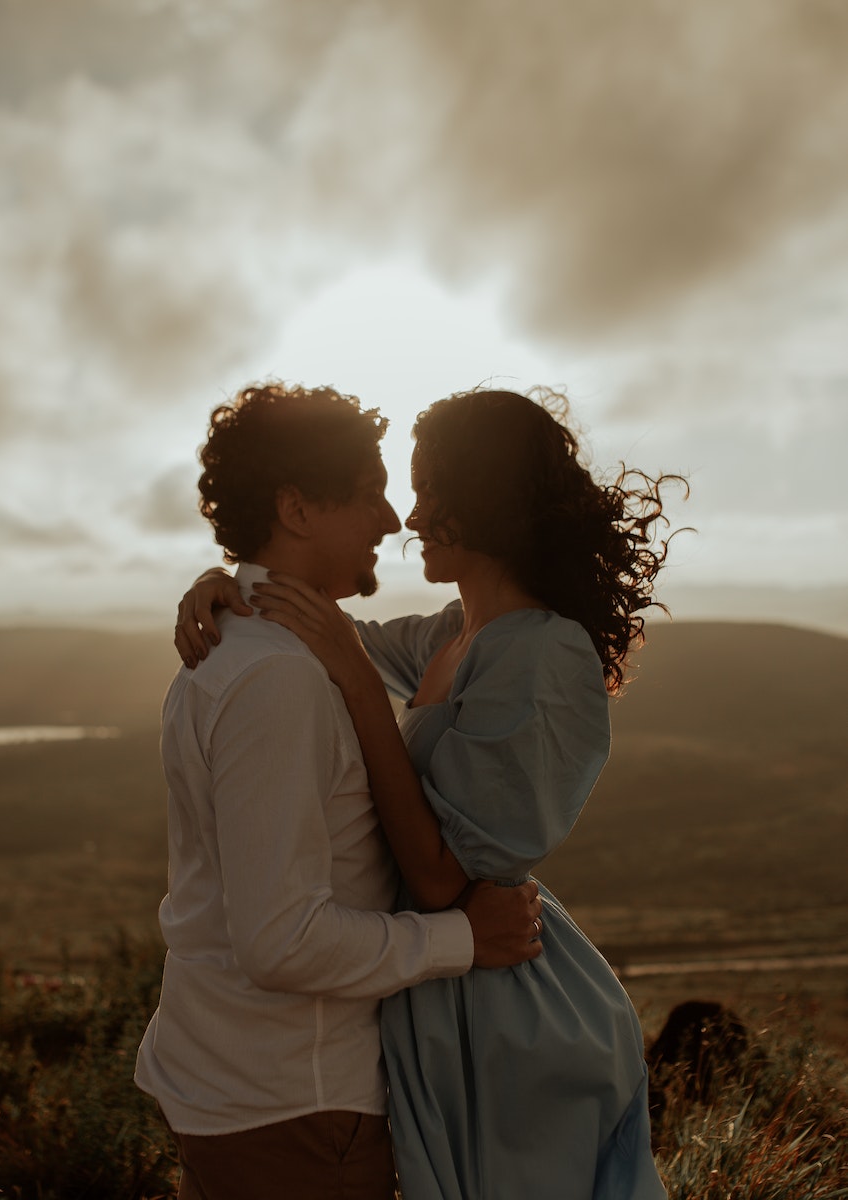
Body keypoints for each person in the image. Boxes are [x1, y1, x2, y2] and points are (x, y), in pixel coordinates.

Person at [176, 386, 678, 1200]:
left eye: (428, 492)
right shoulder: (453, 633)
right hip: (435, 999)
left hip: (508, 1009)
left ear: (485, 498)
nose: (408, 519)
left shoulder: (545, 656)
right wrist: (226, 586)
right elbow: (330, 635)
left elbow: (447, 879)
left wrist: (360, 687)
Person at [134, 381, 544, 1200]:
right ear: (296, 508)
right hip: (293, 1107)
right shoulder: (278, 681)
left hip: (239, 1085)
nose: (391, 521)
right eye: (369, 496)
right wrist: (466, 940)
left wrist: (231, 582)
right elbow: (282, 941)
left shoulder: (243, 642)